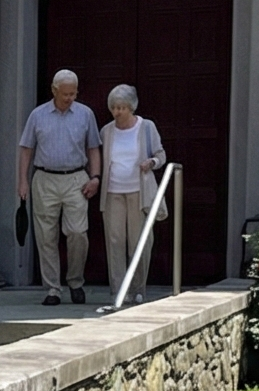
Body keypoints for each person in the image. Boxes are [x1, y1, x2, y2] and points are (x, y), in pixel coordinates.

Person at [17, 70, 103, 305]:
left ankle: (75, 281)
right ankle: (53, 288)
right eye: (65, 93)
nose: (69, 98)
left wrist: (95, 177)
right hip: (44, 177)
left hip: (76, 177)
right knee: (46, 236)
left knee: (77, 232)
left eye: (73, 93)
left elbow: (94, 147)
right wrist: (23, 180)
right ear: (54, 91)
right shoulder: (38, 115)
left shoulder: (85, 114)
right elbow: (26, 148)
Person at [98, 85, 169, 296]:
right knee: (114, 241)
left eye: (122, 107)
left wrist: (152, 162)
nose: (117, 112)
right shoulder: (106, 131)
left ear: (132, 107)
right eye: (114, 108)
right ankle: (119, 291)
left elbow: (161, 154)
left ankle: (138, 289)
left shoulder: (146, 127)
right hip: (112, 192)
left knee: (139, 241)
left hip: (139, 192)